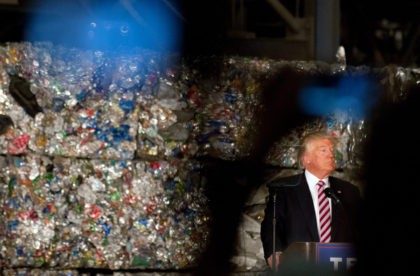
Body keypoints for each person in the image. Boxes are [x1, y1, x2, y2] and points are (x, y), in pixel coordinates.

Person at [260, 131, 362, 271]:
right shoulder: (283, 189)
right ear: (306, 158)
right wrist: (274, 251)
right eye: (323, 150)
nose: (331, 154)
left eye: (332, 150)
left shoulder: (349, 191)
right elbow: (272, 225)